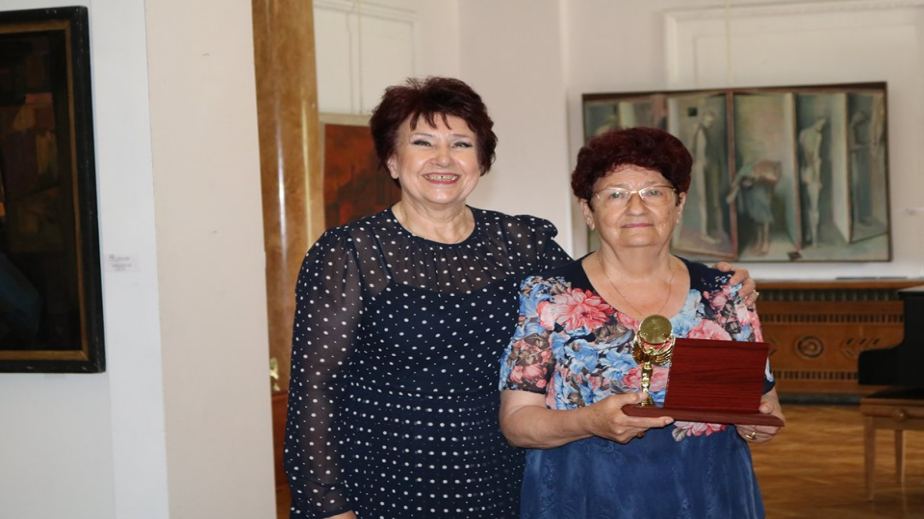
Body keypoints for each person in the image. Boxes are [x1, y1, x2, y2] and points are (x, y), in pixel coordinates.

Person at [283, 77, 757, 519]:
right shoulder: (350, 252)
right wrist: (327, 505)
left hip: (508, 480)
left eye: (461, 144)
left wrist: (709, 283)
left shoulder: (520, 242)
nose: (443, 159)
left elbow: (600, 301)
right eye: (423, 143)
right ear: (391, 159)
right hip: (387, 480)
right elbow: (314, 390)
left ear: (482, 161)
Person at [498, 127, 783, 519]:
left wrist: (760, 426)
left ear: (678, 205)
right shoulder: (548, 295)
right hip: (585, 495)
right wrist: (589, 421)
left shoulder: (724, 293)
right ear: (588, 211)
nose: (636, 207)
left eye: (653, 192)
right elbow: (517, 423)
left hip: (710, 493)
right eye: (615, 194)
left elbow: (766, 406)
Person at [799, 116, 826, 247]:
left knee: (808, 205)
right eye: (822, 123)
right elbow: (809, 155)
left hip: (804, 172)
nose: (822, 126)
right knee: (814, 207)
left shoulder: (803, 132)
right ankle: (814, 240)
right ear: (817, 121)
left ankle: (809, 235)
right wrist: (816, 177)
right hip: (811, 173)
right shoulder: (815, 135)